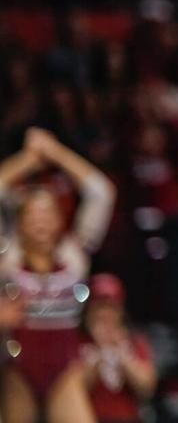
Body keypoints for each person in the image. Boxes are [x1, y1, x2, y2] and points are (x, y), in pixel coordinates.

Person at [0, 127, 116, 423]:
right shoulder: (9, 258)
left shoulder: (74, 257)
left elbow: (101, 192)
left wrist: (56, 153)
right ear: (21, 222)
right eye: (32, 216)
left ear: (60, 220)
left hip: (64, 371)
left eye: (47, 214)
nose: (40, 223)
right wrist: (27, 160)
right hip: (18, 370)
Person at [79, 274, 158, 423]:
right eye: (100, 307)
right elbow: (76, 387)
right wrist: (99, 351)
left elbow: (147, 388)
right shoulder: (79, 342)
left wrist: (122, 353)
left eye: (111, 307)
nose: (105, 314)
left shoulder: (134, 342)